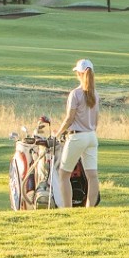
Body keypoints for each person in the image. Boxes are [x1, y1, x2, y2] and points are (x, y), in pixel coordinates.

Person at [53, 58, 100, 209]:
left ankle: (67, 209)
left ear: (79, 74)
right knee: (92, 175)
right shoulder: (95, 94)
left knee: (64, 174)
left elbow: (69, 118)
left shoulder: (75, 94)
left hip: (77, 137)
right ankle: (89, 209)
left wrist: (58, 134)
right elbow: (96, 120)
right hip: (91, 136)